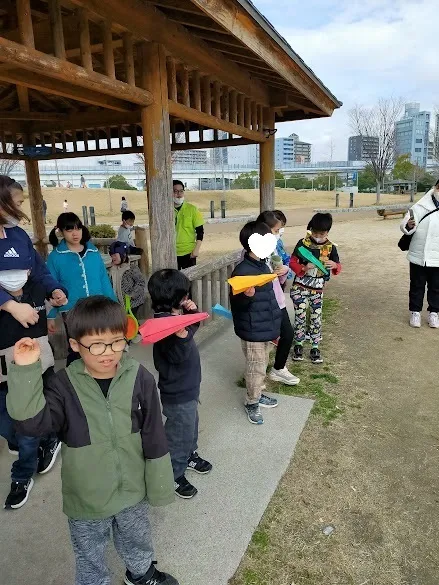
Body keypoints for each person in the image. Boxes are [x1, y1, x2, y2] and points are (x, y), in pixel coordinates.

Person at [6, 296, 179, 585]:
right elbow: (32, 424)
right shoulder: (63, 385)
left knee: (136, 536)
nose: (108, 353)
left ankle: (140, 572)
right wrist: (25, 370)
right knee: (89, 553)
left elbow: (154, 434)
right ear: (75, 345)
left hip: (132, 487)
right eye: (96, 344)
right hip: (87, 496)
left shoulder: (139, 377)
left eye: (116, 342)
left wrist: (159, 484)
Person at [148, 269, 212, 499]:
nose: (188, 297)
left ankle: (190, 454)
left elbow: (190, 331)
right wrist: (183, 334)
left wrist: (189, 317)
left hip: (189, 387)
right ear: (177, 297)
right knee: (178, 434)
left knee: (191, 425)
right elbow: (178, 355)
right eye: (185, 295)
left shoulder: (177, 319)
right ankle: (173, 473)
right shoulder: (164, 327)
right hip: (177, 392)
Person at [0, 270, 61, 510]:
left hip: (32, 370)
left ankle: (22, 476)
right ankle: (47, 439)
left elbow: (50, 296)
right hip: (2, 373)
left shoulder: (36, 286)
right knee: (7, 425)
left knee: (27, 424)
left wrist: (55, 298)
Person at [46, 213, 116, 366]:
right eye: (69, 229)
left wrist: (114, 305)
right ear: (60, 232)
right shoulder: (55, 257)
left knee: (98, 343)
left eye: (78, 228)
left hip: (98, 307)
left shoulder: (93, 252)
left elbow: (103, 279)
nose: (75, 233)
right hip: (71, 310)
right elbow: (50, 285)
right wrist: (50, 316)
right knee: (77, 347)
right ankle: (74, 381)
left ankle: (96, 375)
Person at [230, 221, 282, 425]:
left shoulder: (262, 265)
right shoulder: (243, 271)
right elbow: (237, 302)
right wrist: (246, 297)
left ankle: (258, 394)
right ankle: (252, 402)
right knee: (255, 367)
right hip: (252, 329)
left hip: (265, 327)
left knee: (262, 364)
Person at [0, 175, 67, 329]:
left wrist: (53, 289)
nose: (20, 210)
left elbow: (39, 270)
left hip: (28, 318)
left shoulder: (19, 235)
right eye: (17, 204)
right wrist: (9, 304)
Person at [290, 213, 341, 364]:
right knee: (300, 314)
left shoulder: (330, 247)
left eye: (322, 233)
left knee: (316, 316)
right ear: (310, 229)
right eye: (315, 232)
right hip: (300, 285)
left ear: (328, 232)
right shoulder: (302, 243)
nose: (318, 236)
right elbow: (292, 261)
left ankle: (315, 346)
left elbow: (338, 265)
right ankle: (298, 344)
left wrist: (335, 265)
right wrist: (303, 267)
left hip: (318, 288)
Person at [256, 211, 299, 386]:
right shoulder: (250, 251)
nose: (278, 233)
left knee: (287, 334)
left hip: (277, 298)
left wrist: (284, 271)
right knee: (261, 341)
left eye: (279, 230)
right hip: (260, 302)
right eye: (276, 230)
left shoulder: (273, 247)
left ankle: (278, 369)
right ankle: (256, 377)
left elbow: (279, 273)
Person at [401, 179, 439, 328]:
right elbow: (405, 224)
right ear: (435, 187)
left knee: (436, 287)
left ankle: (434, 313)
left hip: (437, 257)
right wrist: (408, 225)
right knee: (417, 285)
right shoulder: (420, 205)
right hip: (419, 254)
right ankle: (415, 312)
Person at [109, 241, 146, 318]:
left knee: (131, 322)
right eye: (112, 255)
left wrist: (132, 294)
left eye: (115, 255)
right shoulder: (112, 269)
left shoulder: (132, 268)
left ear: (124, 255)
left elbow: (140, 282)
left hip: (132, 302)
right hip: (118, 301)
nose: (113, 257)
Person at [173, 180, 204, 270]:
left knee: (189, 281)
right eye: (175, 191)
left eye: (181, 191)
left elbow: (200, 232)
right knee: (174, 282)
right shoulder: (165, 210)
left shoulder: (192, 209)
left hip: (189, 252)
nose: (179, 194)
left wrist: (196, 250)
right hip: (171, 253)